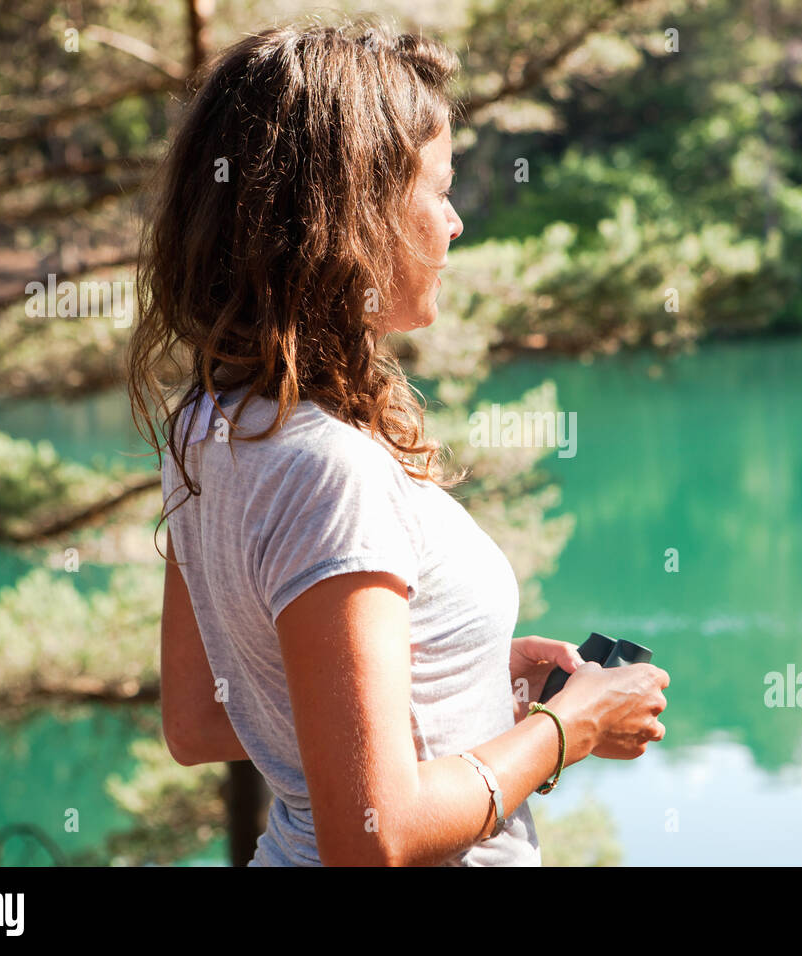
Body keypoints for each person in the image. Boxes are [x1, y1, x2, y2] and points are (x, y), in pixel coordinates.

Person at [126, 16, 669, 867]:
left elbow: (200, 719)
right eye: (438, 189)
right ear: (357, 213)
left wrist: (476, 682)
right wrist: (571, 727)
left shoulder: (209, 425)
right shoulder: (330, 471)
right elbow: (374, 835)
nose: (454, 224)